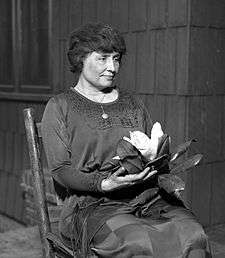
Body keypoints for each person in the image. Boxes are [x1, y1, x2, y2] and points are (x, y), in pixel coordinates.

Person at [41, 23, 211, 257]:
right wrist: (104, 183)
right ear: (80, 59)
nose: (112, 67)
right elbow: (60, 169)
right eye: (102, 59)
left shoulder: (132, 103)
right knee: (138, 241)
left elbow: (154, 149)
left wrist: (156, 163)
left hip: (146, 198)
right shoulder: (61, 106)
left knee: (193, 234)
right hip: (93, 206)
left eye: (116, 58)